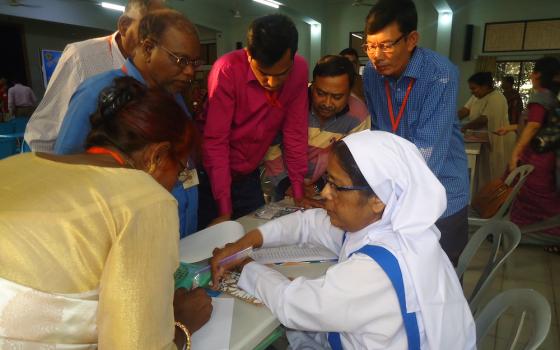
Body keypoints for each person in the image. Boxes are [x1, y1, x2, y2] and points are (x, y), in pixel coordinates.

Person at [211, 130, 476, 350]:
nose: (325, 192)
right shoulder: (399, 227)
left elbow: (293, 304)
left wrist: (246, 266)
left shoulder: (373, 271)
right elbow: (309, 222)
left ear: (377, 199)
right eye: (327, 181)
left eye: (337, 186)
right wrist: (248, 241)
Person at [0, 77, 212, 349]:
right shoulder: (146, 200)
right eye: (180, 168)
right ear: (157, 156)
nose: (176, 182)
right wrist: (181, 325)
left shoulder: (20, 163)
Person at [53, 9, 202, 236]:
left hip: (179, 231)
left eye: (194, 62)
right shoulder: (97, 94)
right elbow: (66, 174)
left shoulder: (175, 96)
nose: (190, 71)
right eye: (181, 60)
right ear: (148, 48)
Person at [362, 0, 469, 266]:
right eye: (371, 46)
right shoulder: (372, 75)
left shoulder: (440, 74)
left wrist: (388, 193)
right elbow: (378, 133)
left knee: (442, 279)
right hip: (396, 194)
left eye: (386, 45)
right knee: (404, 276)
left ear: (411, 40)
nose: (376, 55)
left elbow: (428, 151)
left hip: (440, 192)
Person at [200, 14, 308, 228]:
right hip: (212, 177)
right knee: (214, 240)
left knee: (255, 236)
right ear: (249, 55)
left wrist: (298, 191)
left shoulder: (299, 70)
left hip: (248, 175)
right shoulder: (227, 70)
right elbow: (216, 142)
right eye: (264, 73)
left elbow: (295, 132)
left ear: (293, 58)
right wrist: (224, 208)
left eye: (281, 74)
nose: (272, 82)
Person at [24, 0, 165, 152]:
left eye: (162, 34)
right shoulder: (81, 57)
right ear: (124, 26)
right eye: (148, 31)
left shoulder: (159, 67)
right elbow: (43, 133)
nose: (155, 43)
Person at [264, 55, 370, 206]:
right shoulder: (292, 103)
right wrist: (287, 184)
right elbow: (271, 147)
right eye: (320, 93)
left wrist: (316, 187)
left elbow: (348, 164)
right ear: (312, 85)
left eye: (337, 97)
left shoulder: (358, 116)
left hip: (326, 189)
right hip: (284, 184)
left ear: (349, 93)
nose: (327, 103)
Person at [497, 57, 560, 244]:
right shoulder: (551, 96)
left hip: (535, 157)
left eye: (533, 71)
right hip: (546, 155)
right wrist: (509, 128)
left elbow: (533, 126)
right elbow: (537, 125)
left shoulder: (540, 96)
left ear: (538, 74)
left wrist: (516, 152)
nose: (531, 75)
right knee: (533, 197)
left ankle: (539, 233)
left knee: (535, 198)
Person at [459, 72, 515, 189]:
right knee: (481, 172)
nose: (472, 91)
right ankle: (479, 196)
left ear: (484, 86)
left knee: (494, 170)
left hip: (498, 138)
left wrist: (464, 127)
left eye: (474, 88)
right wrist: (450, 120)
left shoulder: (497, 98)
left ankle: (492, 200)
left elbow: (484, 119)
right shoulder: (476, 96)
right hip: (482, 138)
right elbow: (465, 110)